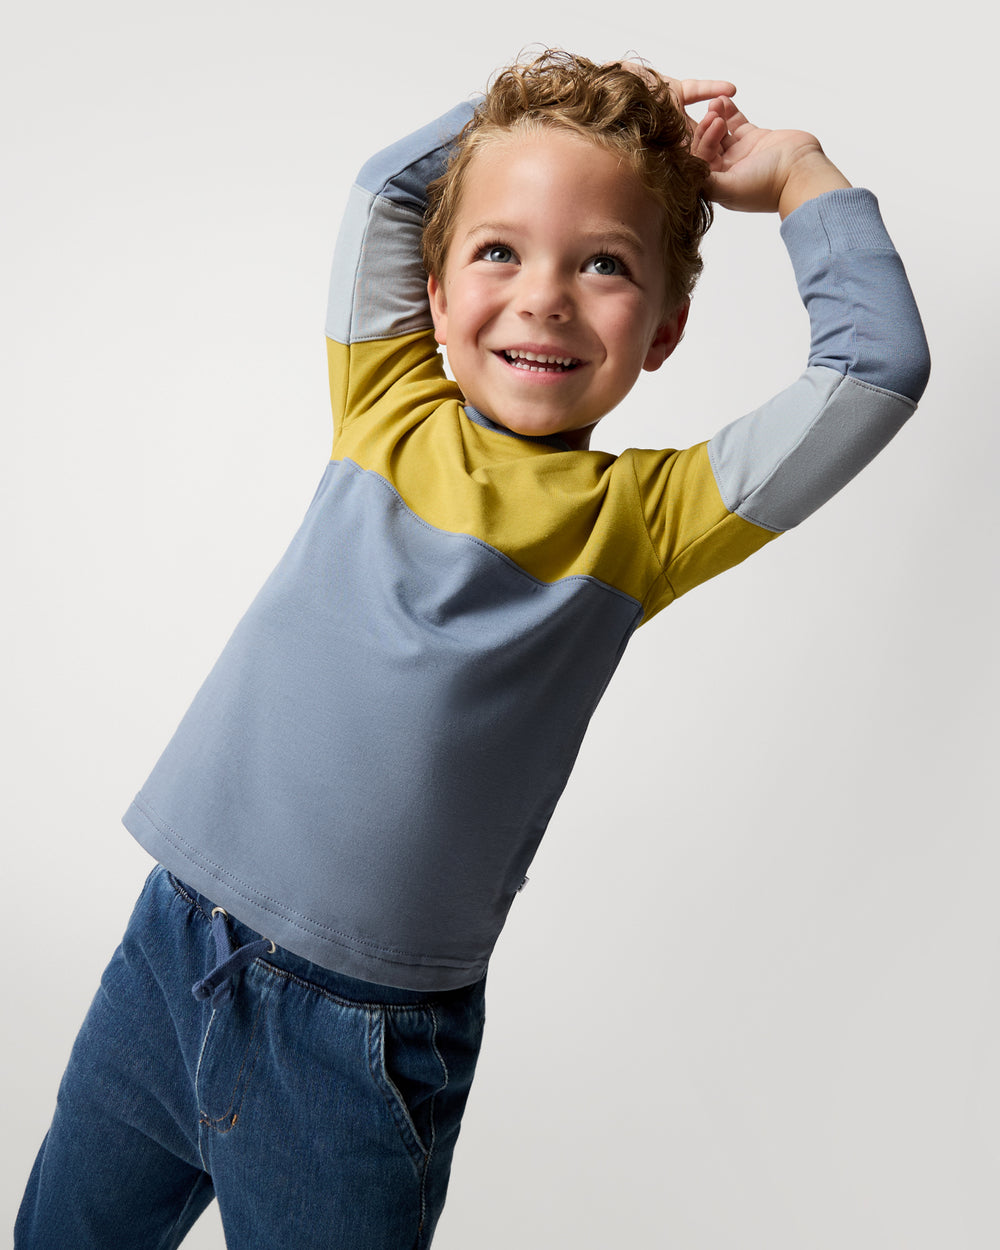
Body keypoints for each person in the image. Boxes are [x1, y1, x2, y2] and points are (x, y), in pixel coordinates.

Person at [16, 49, 929, 1250]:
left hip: (358, 1042)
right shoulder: (383, 399)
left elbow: (873, 365)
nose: (544, 294)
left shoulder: (641, 523)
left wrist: (798, 172)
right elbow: (386, 191)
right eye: (499, 250)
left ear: (663, 328)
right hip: (172, 948)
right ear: (435, 296)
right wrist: (562, 111)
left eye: (603, 263)